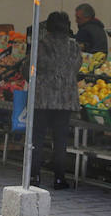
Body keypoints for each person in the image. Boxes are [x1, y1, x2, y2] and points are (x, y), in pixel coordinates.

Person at [28, 11, 82, 190]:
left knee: (37, 138)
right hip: (65, 99)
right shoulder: (74, 47)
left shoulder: (41, 45)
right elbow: (77, 68)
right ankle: (59, 178)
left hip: (43, 98)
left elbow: (29, 68)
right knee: (60, 140)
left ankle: (34, 175)